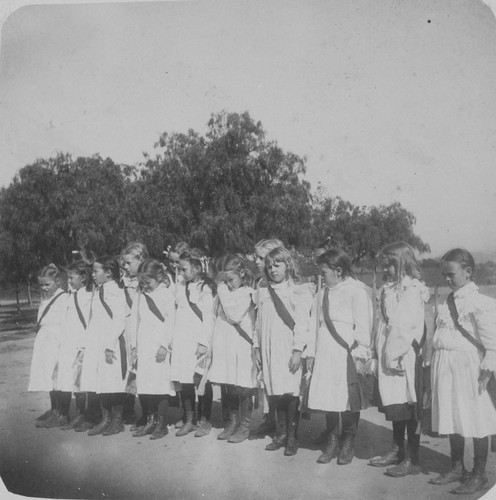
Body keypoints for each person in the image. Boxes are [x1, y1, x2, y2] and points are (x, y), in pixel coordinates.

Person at [428, 248, 496, 494]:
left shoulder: (480, 303)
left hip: (470, 369)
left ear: (468, 272)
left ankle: (479, 474)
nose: (447, 279)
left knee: (476, 419)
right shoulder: (445, 303)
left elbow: (492, 344)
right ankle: (457, 466)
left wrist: (487, 370)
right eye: (444, 274)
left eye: (451, 274)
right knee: (451, 415)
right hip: (445, 366)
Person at [306, 248, 373, 465]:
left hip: (346, 352)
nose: (321, 278)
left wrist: (360, 351)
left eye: (324, 273)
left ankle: (348, 441)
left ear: (338, 270)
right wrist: (311, 353)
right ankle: (332, 440)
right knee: (329, 397)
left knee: (348, 398)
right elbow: (314, 326)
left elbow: (364, 325)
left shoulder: (357, 292)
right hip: (325, 352)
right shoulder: (321, 294)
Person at [368, 242, 429, 477]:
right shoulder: (388, 289)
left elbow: (403, 327)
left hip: (403, 355)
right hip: (389, 354)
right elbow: (382, 326)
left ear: (403, 265)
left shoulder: (411, 290)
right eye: (385, 265)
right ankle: (397, 449)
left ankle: (413, 459)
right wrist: (378, 353)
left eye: (390, 265)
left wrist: (393, 356)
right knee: (396, 405)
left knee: (408, 405)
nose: (386, 269)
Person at [253, 247, 313, 455]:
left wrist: (297, 350)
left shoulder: (298, 290)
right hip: (269, 348)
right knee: (275, 391)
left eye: (277, 264)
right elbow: (258, 322)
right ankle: (281, 432)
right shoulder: (263, 290)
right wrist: (257, 347)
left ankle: (293, 436)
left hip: (287, 347)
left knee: (290, 391)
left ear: (288, 265)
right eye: (269, 266)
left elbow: (302, 323)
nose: (272, 269)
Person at [209, 254, 257, 443]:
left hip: (241, 346)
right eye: (224, 281)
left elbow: (234, 314)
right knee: (227, 384)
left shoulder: (248, 293)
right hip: (224, 345)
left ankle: (244, 426)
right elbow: (214, 316)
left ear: (242, 273)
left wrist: (221, 288)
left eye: (230, 280)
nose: (227, 284)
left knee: (242, 386)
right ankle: (231, 422)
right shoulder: (222, 294)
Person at [80, 255, 127, 436]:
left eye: (96, 271)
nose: (92, 274)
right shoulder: (98, 290)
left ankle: (117, 420)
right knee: (102, 381)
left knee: (113, 381)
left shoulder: (115, 290)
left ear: (108, 273)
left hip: (111, 343)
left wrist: (109, 345)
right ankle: (105, 419)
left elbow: (119, 320)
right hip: (97, 342)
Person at [129, 259, 176, 440]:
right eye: (142, 280)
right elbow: (135, 320)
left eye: (148, 280)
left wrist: (165, 345)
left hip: (159, 345)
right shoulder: (140, 295)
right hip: (144, 344)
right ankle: (151, 420)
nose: (145, 284)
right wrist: (134, 346)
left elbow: (170, 321)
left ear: (158, 276)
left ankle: (162, 423)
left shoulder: (166, 294)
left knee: (160, 384)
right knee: (146, 384)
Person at [170, 248, 215, 437]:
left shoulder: (206, 288)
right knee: (184, 379)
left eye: (184, 269)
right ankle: (189, 418)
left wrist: (204, 342)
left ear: (197, 268)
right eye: (179, 269)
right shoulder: (180, 285)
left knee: (200, 380)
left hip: (198, 340)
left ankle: (205, 420)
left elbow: (208, 317)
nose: (180, 273)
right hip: (182, 339)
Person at [250, 238, 285, 439]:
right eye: (256, 257)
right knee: (266, 380)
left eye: (261, 258)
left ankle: (286, 424)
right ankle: (270, 418)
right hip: (264, 336)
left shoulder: (288, 285)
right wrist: (256, 344)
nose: (256, 261)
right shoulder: (260, 283)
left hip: (281, 339)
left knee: (282, 382)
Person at [56, 260, 93, 430]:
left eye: (72, 277)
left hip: (80, 344)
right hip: (67, 343)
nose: (69, 280)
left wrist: (84, 346)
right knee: (66, 378)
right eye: (68, 277)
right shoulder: (69, 296)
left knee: (80, 381)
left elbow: (88, 323)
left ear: (84, 278)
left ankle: (82, 414)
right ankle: (64, 414)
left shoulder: (88, 296)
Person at [29, 264, 67, 427]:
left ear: (57, 281)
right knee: (49, 376)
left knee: (59, 376)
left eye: (47, 284)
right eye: (41, 285)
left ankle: (63, 413)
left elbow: (65, 323)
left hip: (57, 339)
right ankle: (55, 409)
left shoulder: (63, 297)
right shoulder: (45, 298)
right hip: (45, 339)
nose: (44, 288)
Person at [121, 242, 149, 426]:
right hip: (128, 331)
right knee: (130, 371)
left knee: (146, 372)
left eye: (128, 262)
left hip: (145, 330)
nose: (125, 266)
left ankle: (150, 414)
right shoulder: (123, 282)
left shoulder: (151, 282)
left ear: (141, 260)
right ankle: (128, 410)